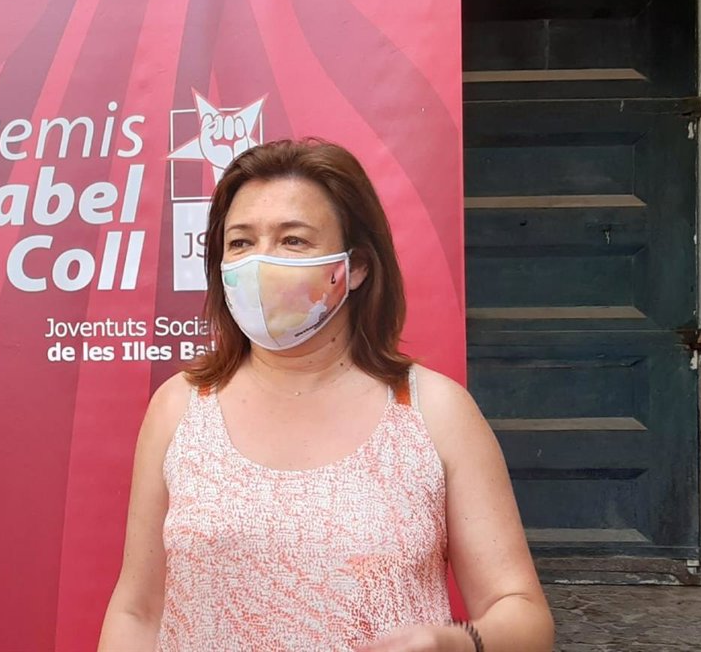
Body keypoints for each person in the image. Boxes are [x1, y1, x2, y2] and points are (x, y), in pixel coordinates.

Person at [99, 138, 554, 652]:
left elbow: (523, 614)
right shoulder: (180, 407)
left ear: (355, 266)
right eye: (241, 242)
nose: (260, 261)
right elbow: (137, 612)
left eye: (292, 240)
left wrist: (454, 643)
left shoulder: (435, 411)